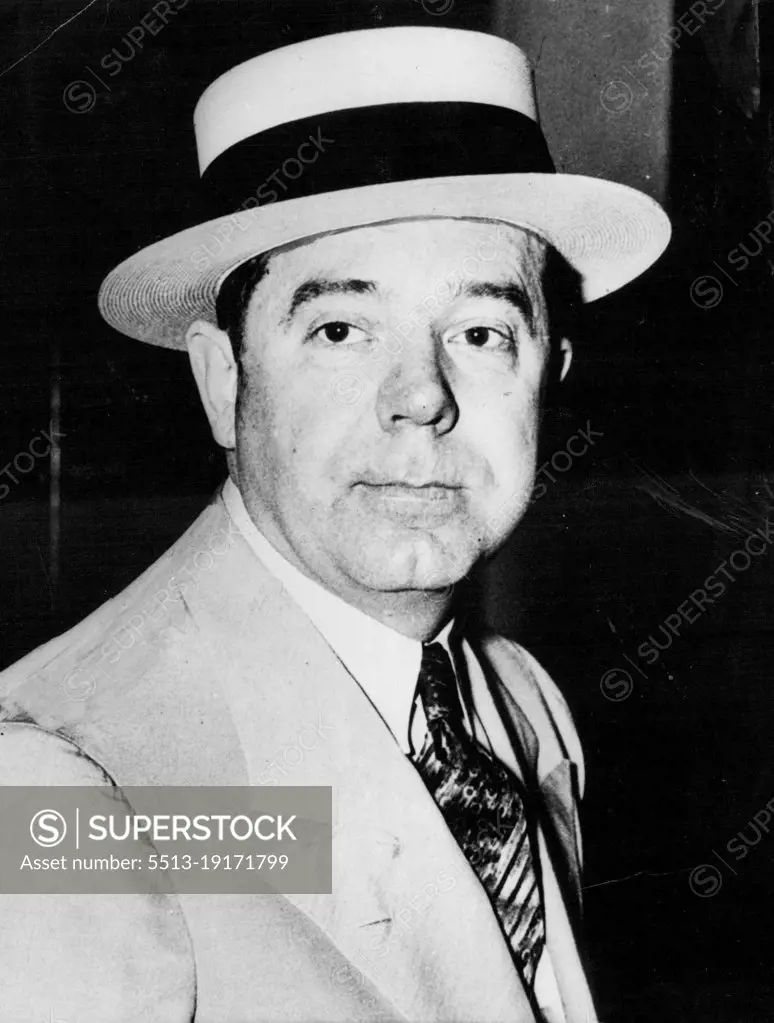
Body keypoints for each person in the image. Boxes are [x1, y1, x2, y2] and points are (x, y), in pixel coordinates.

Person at [0, 25, 670, 1023]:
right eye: (342, 330)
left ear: (550, 383)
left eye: (481, 333)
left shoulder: (524, 708)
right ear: (225, 382)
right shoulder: (61, 785)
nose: (422, 398)